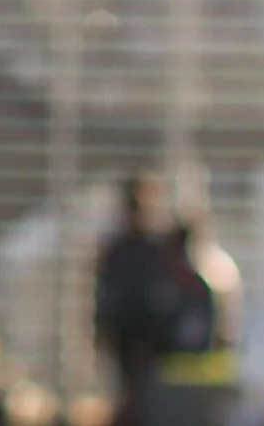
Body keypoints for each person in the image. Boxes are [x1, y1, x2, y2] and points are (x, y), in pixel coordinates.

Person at [96, 173, 226, 426]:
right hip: (126, 342)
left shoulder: (155, 253)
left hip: (155, 350)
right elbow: (110, 299)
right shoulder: (118, 252)